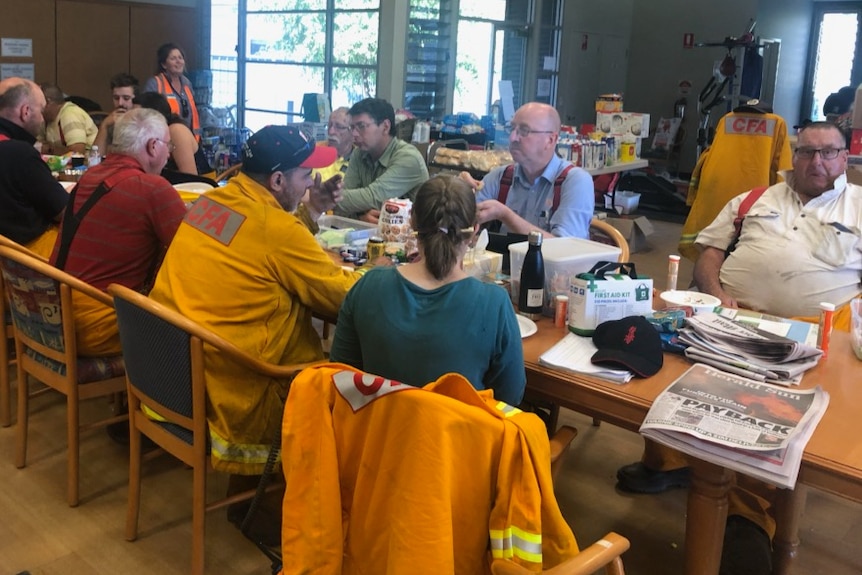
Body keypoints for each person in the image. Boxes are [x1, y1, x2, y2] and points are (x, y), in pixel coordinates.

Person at [618, 121, 862, 575]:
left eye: (829, 153)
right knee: (652, 367)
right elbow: (710, 250)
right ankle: (671, 459)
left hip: (811, 335)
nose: (818, 162)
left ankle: (747, 518)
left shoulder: (859, 207)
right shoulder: (755, 199)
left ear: (844, 157)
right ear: (793, 155)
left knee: (757, 413)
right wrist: (715, 292)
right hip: (729, 318)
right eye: (807, 152)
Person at [149, 125, 382, 477]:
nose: (312, 182)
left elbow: (265, 251)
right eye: (306, 174)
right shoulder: (275, 229)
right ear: (276, 181)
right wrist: (382, 273)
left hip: (174, 373)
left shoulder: (212, 201)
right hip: (241, 391)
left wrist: (311, 210)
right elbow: (346, 297)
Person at [330, 174, 525, 406]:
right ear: (474, 231)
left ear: (411, 221)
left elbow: (341, 375)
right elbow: (510, 398)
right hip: (453, 440)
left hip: (375, 438)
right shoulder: (494, 304)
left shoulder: (368, 286)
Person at [49, 107, 186, 357]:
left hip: (55, 317)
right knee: (195, 322)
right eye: (169, 146)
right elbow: (191, 252)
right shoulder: (152, 188)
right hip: (97, 325)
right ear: (153, 147)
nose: (169, 154)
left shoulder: (91, 175)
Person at [460, 102, 593, 238]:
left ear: (550, 139)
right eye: (511, 128)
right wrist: (460, 192)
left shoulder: (575, 182)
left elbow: (566, 249)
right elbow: (460, 219)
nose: (512, 138)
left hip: (548, 260)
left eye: (524, 131)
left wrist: (505, 215)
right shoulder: (501, 177)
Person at [0, 77, 68, 258]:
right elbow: (64, 212)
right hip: (30, 262)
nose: (43, 118)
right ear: (26, 112)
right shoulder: (19, 153)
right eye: (42, 110)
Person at [332, 97, 428, 222]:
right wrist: (360, 217)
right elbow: (341, 208)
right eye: (352, 127)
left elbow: (373, 198)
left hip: (411, 237)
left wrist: (323, 197)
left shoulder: (408, 158)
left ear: (385, 127)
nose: (354, 134)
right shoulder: (359, 154)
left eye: (361, 126)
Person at [133, 91, 210, 175]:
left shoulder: (176, 131)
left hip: (202, 185)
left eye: (138, 116)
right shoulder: (145, 135)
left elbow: (191, 178)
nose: (132, 120)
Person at [143, 42, 200, 138]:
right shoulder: (155, 83)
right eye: (173, 58)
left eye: (180, 58)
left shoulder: (187, 84)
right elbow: (146, 114)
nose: (178, 61)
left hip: (189, 139)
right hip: (165, 139)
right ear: (164, 64)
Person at [40, 83, 98, 155]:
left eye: (37, 104)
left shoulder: (70, 114)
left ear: (48, 102)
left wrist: (50, 150)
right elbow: (38, 146)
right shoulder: (46, 119)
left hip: (88, 164)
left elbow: (77, 153)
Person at [92, 72, 139, 152]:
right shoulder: (110, 122)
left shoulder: (144, 123)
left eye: (126, 98)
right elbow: (95, 157)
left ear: (136, 99)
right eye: (116, 98)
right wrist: (104, 125)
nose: (120, 103)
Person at [316, 106, 354, 182]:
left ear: (352, 131)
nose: (331, 131)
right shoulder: (314, 150)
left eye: (339, 127)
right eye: (329, 126)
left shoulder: (360, 160)